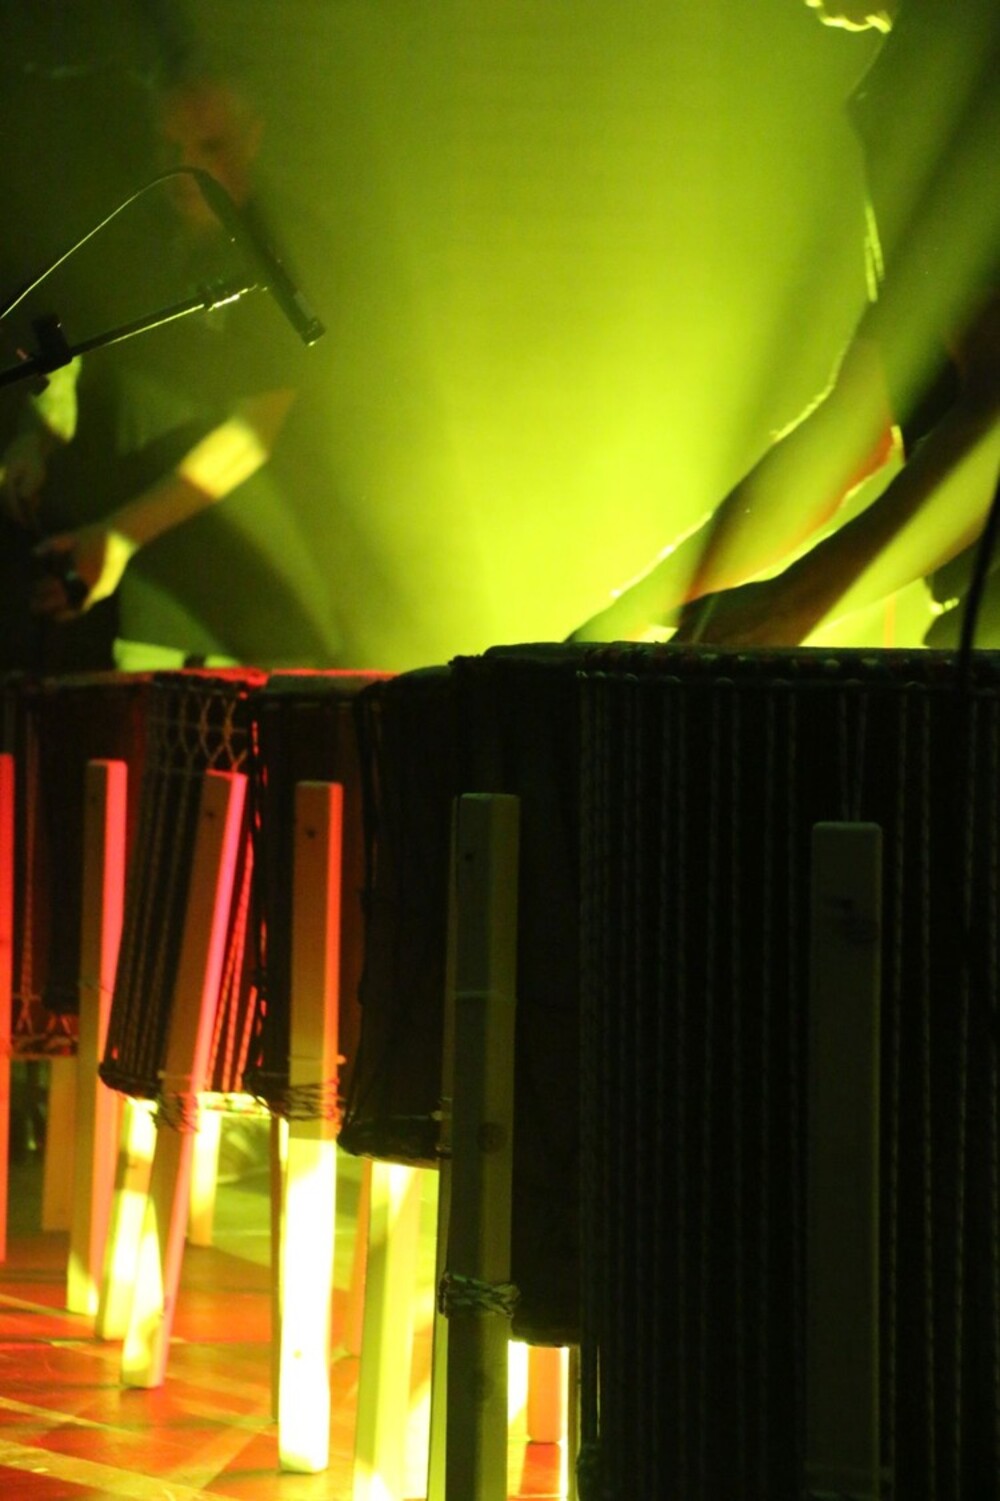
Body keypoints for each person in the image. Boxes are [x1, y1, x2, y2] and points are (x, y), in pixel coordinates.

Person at [571, 0, 1000, 650]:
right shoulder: (934, 66)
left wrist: (786, 607)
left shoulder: (958, 72)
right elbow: (855, 422)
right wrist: (638, 606)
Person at [1, 58, 342, 671]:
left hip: (252, 606)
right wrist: (39, 435)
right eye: (171, 147)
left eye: (209, 146)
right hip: (145, 598)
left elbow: (254, 432)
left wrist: (120, 536)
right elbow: (68, 348)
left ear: (252, 137)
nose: (185, 165)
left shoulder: (288, 248)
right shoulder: (138, 233)